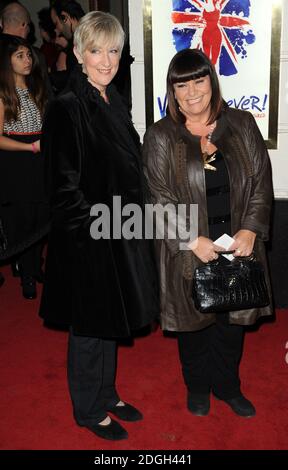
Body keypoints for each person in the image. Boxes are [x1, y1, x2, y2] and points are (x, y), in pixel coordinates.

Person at [39, 11, 158, 441]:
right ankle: (88, 410)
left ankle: (107, 393)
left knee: (111, 320)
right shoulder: (66, 108)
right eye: (96, 51)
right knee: (89, 328)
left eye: (113, 51)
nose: (106, 61)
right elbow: (62, 190)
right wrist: (96, 238)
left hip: (120, 231)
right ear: (78, 53)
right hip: (88, 240)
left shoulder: (113, 97)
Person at [143, 48, 273, 418]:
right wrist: (190, 239)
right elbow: (157, 196)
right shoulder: (161, 136)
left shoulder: (243, 123)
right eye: (181, 84)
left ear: (211, 82)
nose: (191, 91)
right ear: (172, 90)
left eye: (198, 80)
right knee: (194, 327)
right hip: (189, 251)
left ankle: (228, 387)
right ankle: (197, 386)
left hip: (238, 246)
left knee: (232, 326)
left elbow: (261, 183)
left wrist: (251, 229)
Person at [0, 36, 49, 299]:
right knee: (23, 221)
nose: (27, 60)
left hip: (39, 159)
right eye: (20, 56)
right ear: (7, 61)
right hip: (16, 163)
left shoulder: (37, 88)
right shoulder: (2, 94)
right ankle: (27, 276)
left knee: (41, 216)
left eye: (28, 55)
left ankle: (34, 266)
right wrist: (29, 147)